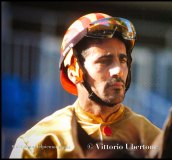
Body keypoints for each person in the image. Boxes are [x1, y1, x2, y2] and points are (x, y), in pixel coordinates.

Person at [10, 13, 162, 158]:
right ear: (74, 71)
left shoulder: (153, 139)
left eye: (122, 60)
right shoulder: (36, 143)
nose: (118, 70)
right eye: (104, 61)